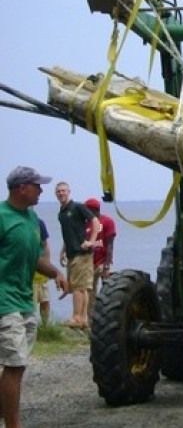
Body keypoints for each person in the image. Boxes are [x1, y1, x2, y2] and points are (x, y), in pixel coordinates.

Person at [0, 166, 68, 428]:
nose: (41, 190)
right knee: (14, 365)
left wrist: (57, 273)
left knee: (17, 364)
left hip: (23, 299)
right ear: (22, 188)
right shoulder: (3, 217)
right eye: (37, 185)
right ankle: (14, 424)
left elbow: (36, 257)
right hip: (4, 301)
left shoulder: (31, 218)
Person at [55, 182, 100, 329]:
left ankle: (77, 317)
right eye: (59, 191)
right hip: (72, 253)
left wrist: (91, 241)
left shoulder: (77, 207)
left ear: (69, 192)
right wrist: (63, 250)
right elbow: (68, 234)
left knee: (78, 287)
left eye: (64, 191)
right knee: (80, 287)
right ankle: (83, 319)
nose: (61, 193)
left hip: (82, 253)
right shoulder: (61, 213)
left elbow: (95, 221)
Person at [84, 198, 116, 324]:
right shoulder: (86, 223)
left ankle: (108, 320)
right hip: (89, 262)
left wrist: (107, 265)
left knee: (107, 293)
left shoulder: (107, 221)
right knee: (90, 294)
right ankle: (91, 322)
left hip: (103, 261)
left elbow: (110, 244)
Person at [32, 218, 52, 325]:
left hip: (42, 268)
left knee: (45, 300)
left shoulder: (39, 222)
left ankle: (45, 326)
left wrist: (48, 264)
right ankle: (31, 325)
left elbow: (45, 244)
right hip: (29, 270)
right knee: (31, 302)